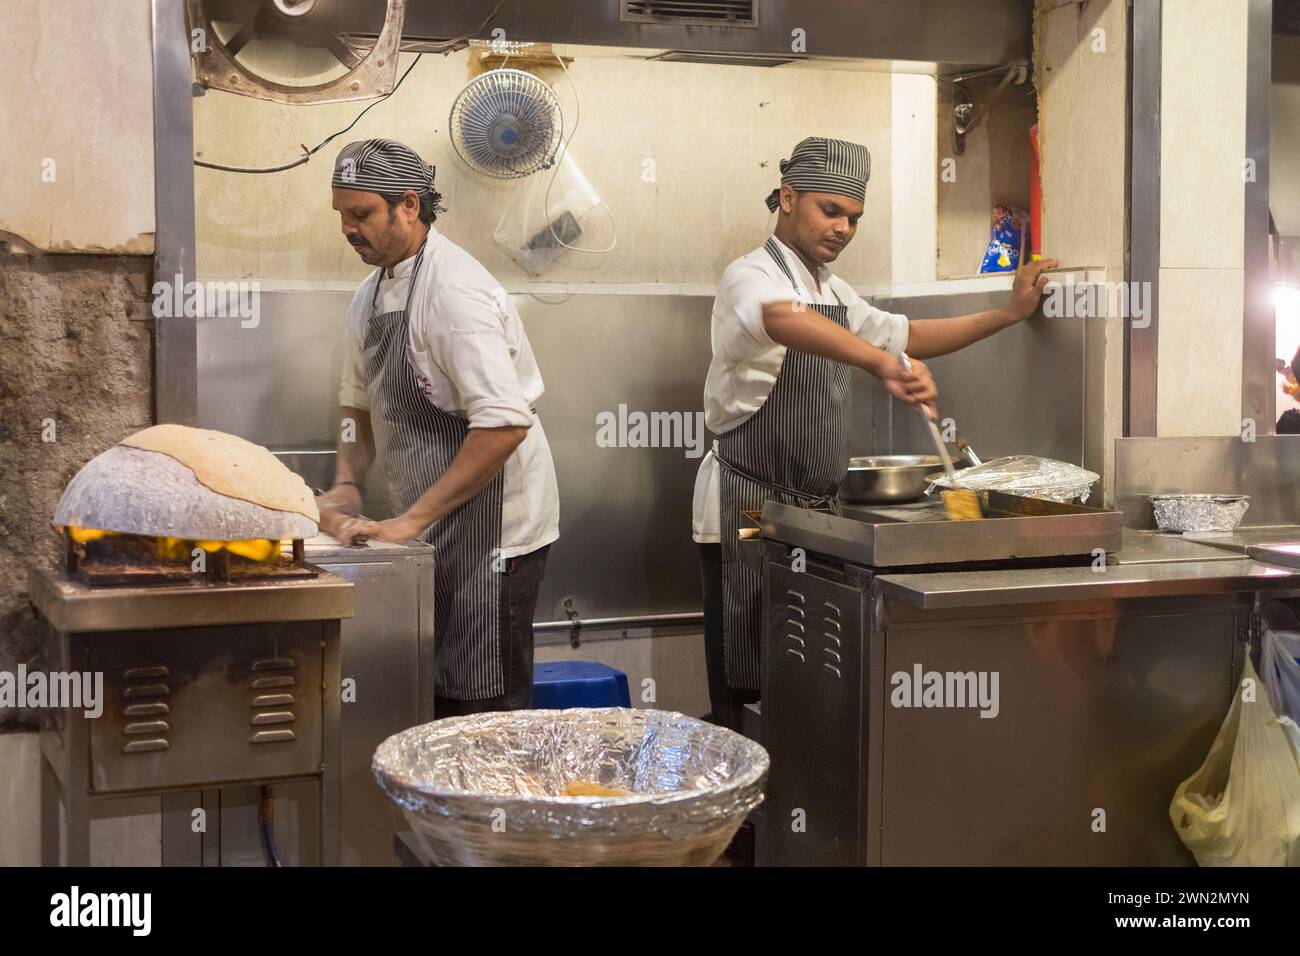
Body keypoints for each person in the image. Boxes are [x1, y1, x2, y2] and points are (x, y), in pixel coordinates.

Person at [693, 136, 1057, 729]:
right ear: (788, 199)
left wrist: (1008, 314)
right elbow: (782, 320)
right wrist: (880, 363)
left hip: (815, 517)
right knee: (744, 674)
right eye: (829, 210)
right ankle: (738, 821)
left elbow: (908, 333)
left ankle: (795, 812)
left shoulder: (833, 293)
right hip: (746, 511)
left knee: (801, 686)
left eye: (854, 218)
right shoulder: (750, 276)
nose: (842, 228)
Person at [316, 138, 559, 715]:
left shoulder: (453, 293)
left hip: (494, 530)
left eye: (360, 214)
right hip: (431, 525)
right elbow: (356, 402)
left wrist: (411, 520)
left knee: (482, 702)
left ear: (408, 205)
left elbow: (502, 424)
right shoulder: (370, 295)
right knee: (440, 690)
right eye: (341, 215)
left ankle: (496, 807)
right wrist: (349, 481)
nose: (348, 229)